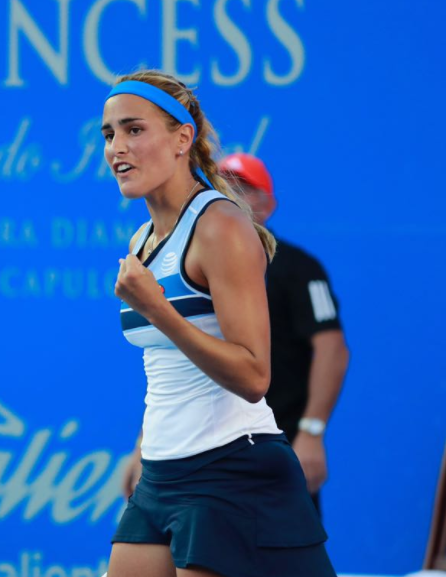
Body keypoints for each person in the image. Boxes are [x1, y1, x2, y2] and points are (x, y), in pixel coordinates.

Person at [104, 70, 334, 577]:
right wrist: (144, 449)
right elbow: (166, 372)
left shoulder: (221, 225)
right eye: (110, 133)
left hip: (231, 471)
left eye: (134, 129)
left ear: (182, 138)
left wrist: (159, 311)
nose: (117, 147)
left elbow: (254, 377)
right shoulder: (142, 238)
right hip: (162, 475)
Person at [218, 152, 350, 511]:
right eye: (221, 187)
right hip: (204, 450)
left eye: (243, 189)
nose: (230, 197)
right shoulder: (196, 268)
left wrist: (311, 432)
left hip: (279, 449)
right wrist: (145, 445)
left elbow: (333, 349)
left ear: (268, 205)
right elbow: (177, 363)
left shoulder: (299, 268)